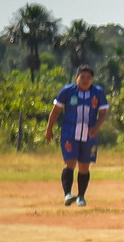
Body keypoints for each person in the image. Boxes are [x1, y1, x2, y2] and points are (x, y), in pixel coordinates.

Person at [45, 65, 110, 206]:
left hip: (89, 135)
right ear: (77, 78)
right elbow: (56, 110)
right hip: (69, 133)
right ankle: (67, 194)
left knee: (84, 167)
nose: (85, 80)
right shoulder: (67, 91)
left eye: (89, 78)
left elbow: (103, 113)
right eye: (83, 77)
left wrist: (97, 127)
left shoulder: (97, 93)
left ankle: (81, 196)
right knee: (70, 163)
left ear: (92, 80)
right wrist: (49, 128)